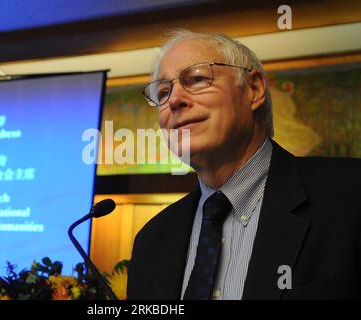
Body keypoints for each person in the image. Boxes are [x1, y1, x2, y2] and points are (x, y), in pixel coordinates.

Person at [126, 30, 361, 300]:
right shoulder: (151, 241)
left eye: (198, 79)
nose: (175, 100)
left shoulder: (350, 195)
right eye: (163, 92)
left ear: (254, 90)